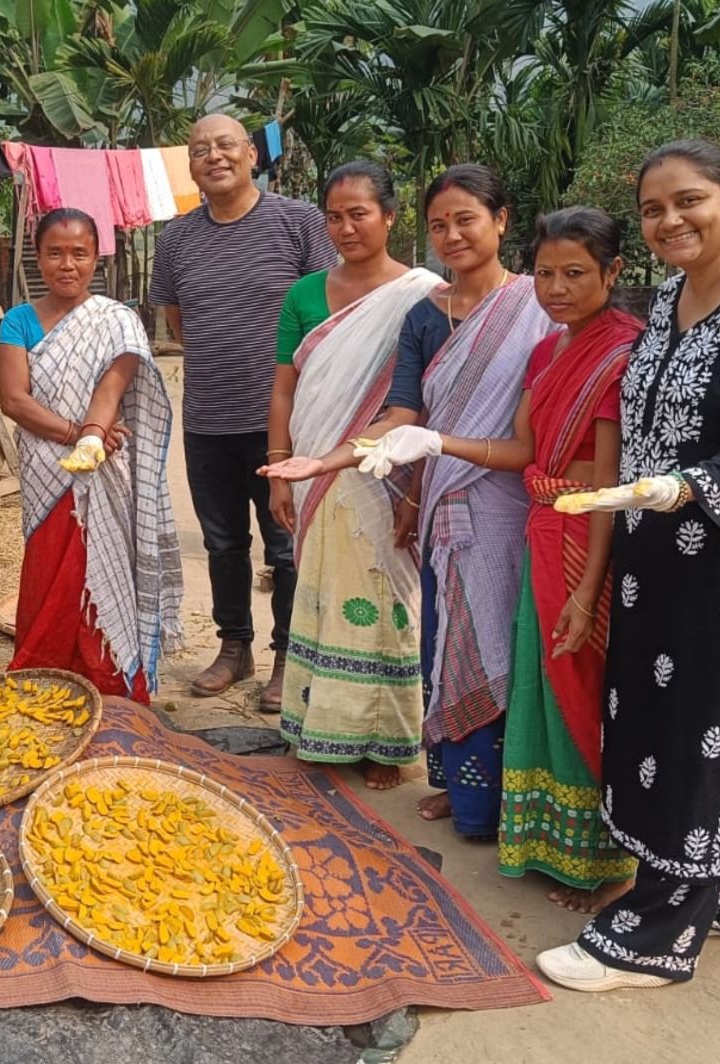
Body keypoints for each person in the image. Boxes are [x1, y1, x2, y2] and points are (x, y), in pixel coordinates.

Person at [537, 140, 720, 991]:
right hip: (656, 540)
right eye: (655, 209)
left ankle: (657, 933)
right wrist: (643, 501)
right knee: (666, 714)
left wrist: (686, 486)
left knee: (710, 719)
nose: (672, 221)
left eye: (689, 201)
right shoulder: (666, 299)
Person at [264, 165, 555, 840]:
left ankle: (524, 796)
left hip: (515, 502)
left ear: (502, 220)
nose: (452, 235)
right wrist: (326, 460)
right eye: (441, 225)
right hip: (436, 497)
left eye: (466, 220)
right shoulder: (426, 315)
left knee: (511, 642)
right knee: (449, 638)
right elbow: (406, 415)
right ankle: (463, 787)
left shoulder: (539, 305)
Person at [365, 207, 641, 909]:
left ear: (613, 272)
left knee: (581, 688)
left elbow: (606, 487)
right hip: (540, 530)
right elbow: (520, 452)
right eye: (546, 273)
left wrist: (587, 591)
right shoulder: (547, 352)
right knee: (539, 687)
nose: (556, 288)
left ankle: (602, 860)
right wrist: (439, 445)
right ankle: (549, 841)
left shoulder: (620, 351)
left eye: (575, 273)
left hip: (587, 540)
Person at [259, 161, 441, 789]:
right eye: (333, 216)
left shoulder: (422, 294)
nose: (345, 227)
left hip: (386, 472)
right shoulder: (303, 293)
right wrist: (280, 472)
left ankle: (387, 743)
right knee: (321, 590)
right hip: (312, 467)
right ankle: (322, 725)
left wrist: (416, 490)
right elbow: (285, 389)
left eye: (358, 213)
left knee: (390, 597)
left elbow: (427, 400)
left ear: (390, 216)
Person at [149, 113, 333, 710]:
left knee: (284, 546)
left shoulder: (299, 221)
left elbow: (329, 308)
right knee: (223, 543)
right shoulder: (175, 238)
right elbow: (178, 321)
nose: (214, 156)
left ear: (252, 153)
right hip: (207, 418)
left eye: (226, 145)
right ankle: (234, 647)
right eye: (200, 149)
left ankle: (289, 654)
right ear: (191, 165)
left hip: (285, 419)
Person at [0, 207, 184, 700]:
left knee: (105, 569)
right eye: (54, 253)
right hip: (47, 470)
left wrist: (95, 434)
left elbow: (115, 381)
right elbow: (14, 399)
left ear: (95, 258)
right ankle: (43, 672)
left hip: (101, 466)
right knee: (50, 571)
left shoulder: (115, 320)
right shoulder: (18, 321)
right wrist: (76, 433)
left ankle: (109, 684)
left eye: (79, 253)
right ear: (37, 257)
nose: (67, 264)